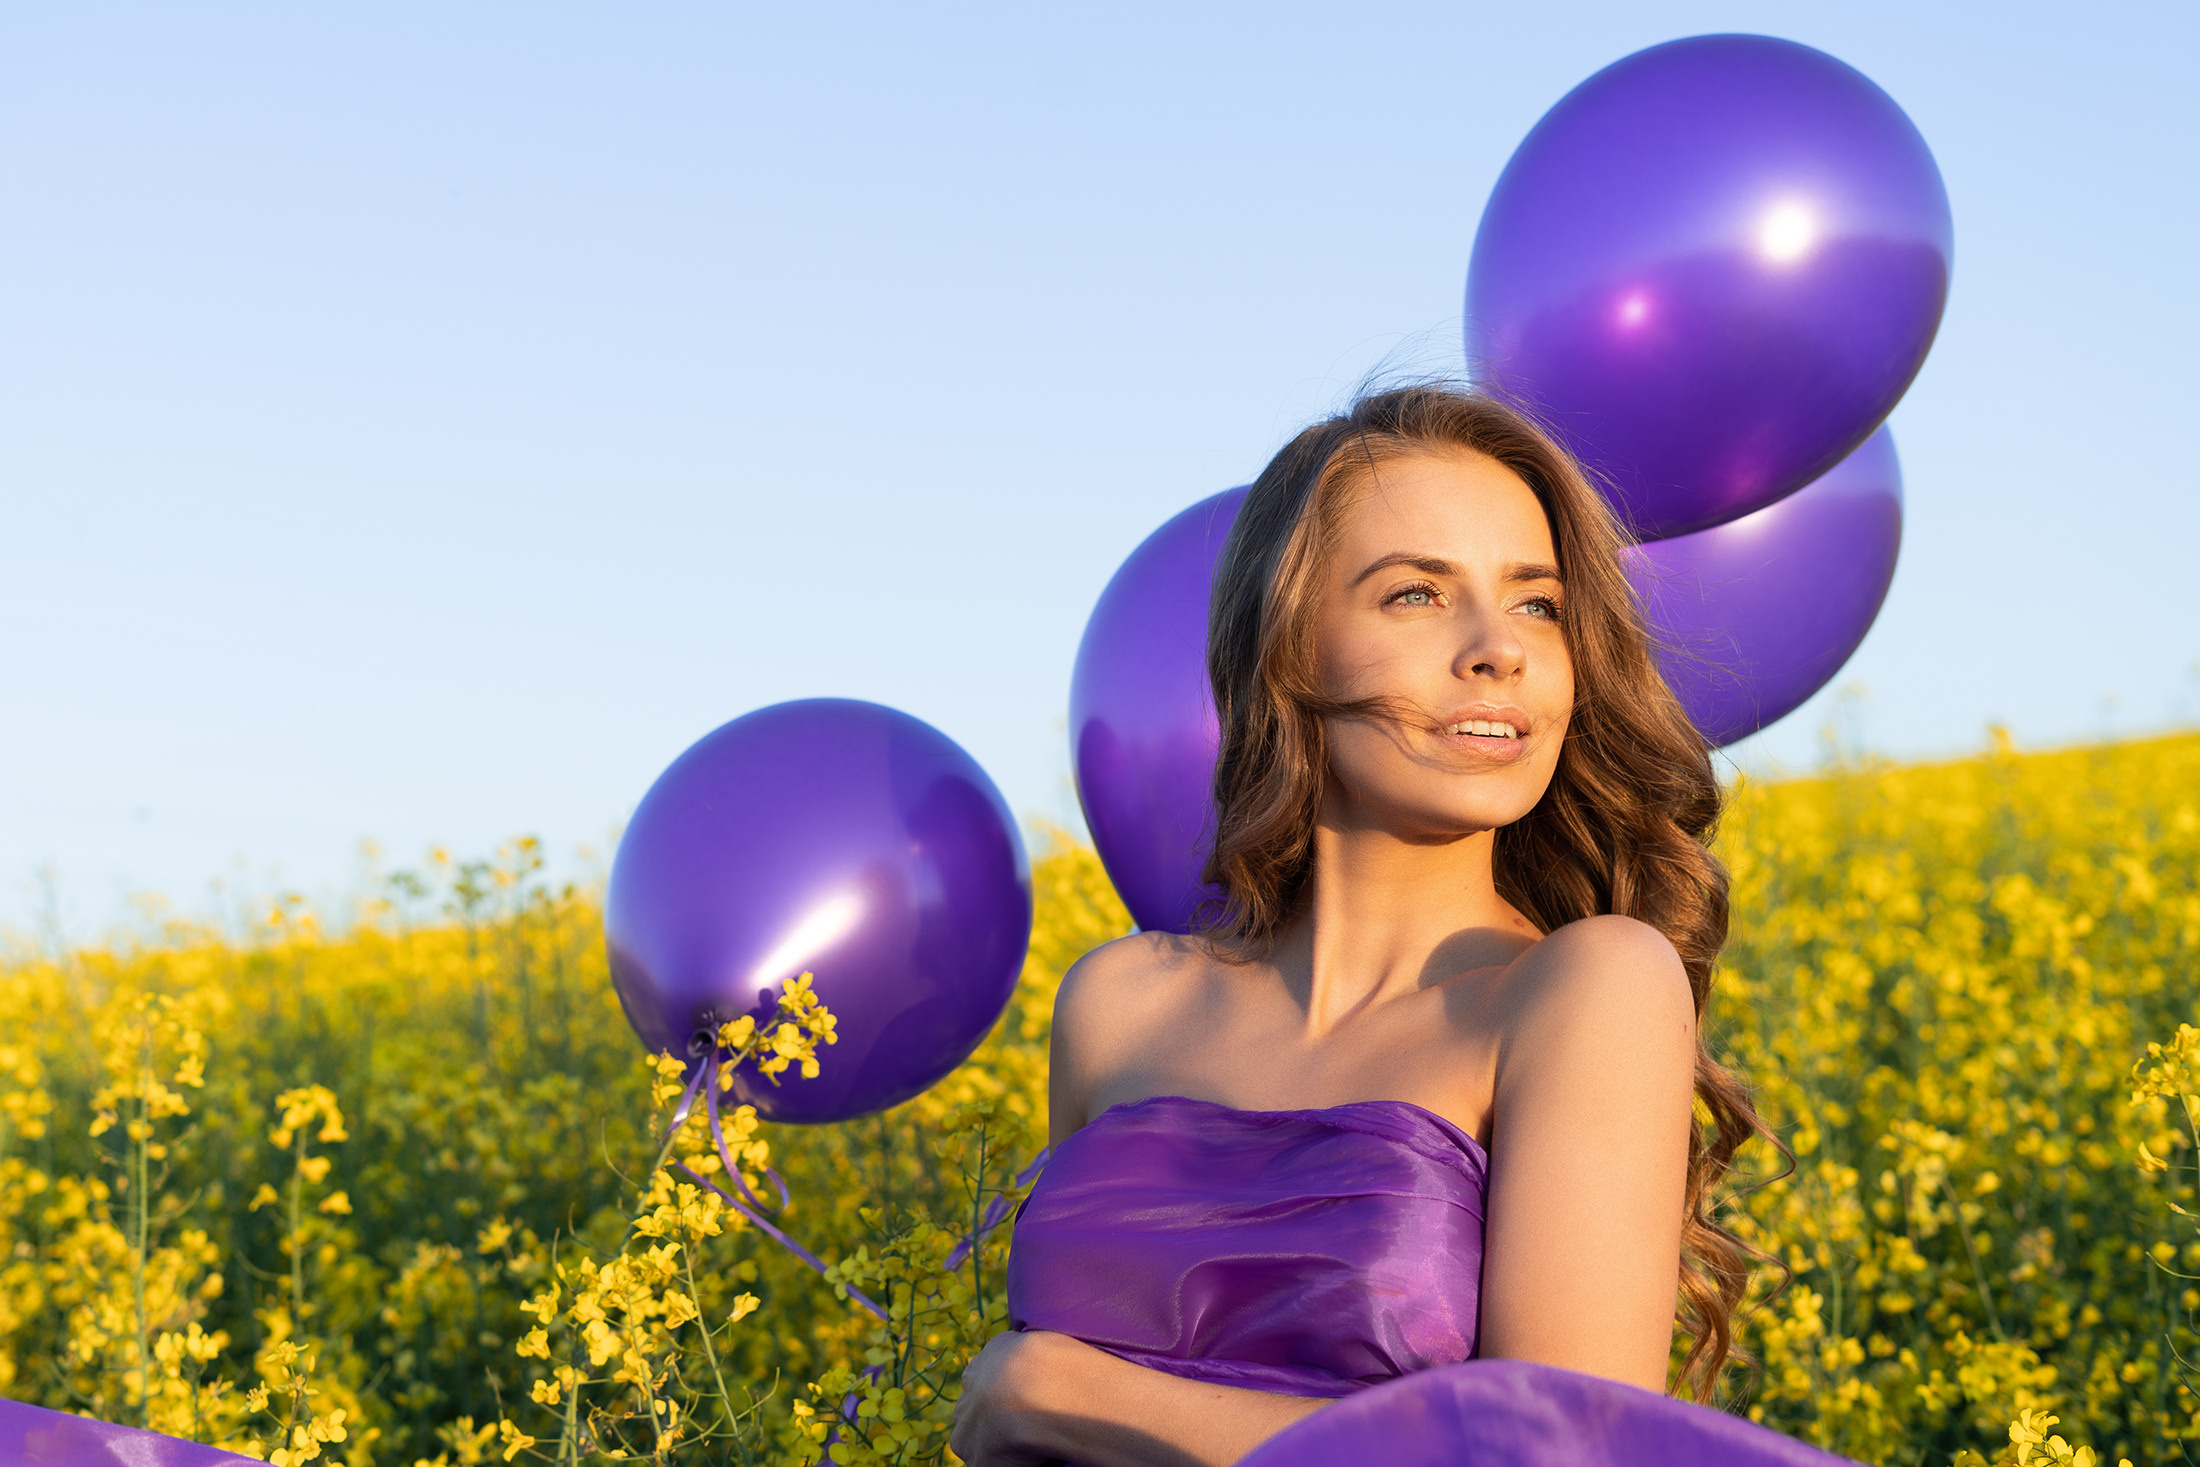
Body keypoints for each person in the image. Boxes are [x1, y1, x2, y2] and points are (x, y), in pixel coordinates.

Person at [949, 386, 1777, 1467]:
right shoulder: (1117, 1004)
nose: (1500, 649)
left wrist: (1060, 1394)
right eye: (1416, 594)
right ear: (1287, 648)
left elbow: (1561, 1455)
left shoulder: (1585, 989)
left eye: (1538, 604)